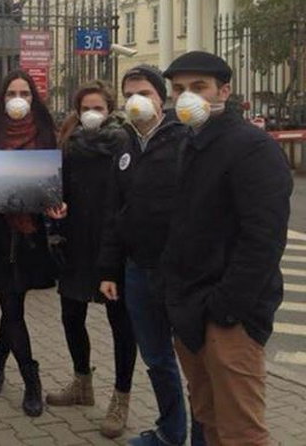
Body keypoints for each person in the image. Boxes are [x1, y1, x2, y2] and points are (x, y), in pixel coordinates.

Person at [161, 51, 291, 446]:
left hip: (228, 317)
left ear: (224, 90)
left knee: (241, 432)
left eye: (198, 87)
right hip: (189, 308)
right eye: (179, 89)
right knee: (208, 418)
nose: (187, 96)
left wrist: (227, 309)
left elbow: (264, 237)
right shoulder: (190, 141)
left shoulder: (252, 147)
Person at [98, 65, 200, 446]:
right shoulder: (125, 146)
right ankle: (171, 431)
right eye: (128, 95)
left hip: (180, 273)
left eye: (144, 93)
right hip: (137, 270)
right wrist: (109, 269)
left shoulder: (185, 140)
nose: (136, 101)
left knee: (195, 364)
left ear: (162, 98)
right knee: (156, 358)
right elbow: (114, 213)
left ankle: (202, 435)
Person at [46, 80, 136, 438]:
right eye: (85, 107)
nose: (92, 114)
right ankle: (82, 382)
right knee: (71, 314)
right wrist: (57, 205)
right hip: (76, 239)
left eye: (98, 107)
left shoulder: (125, 142)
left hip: (111, 241)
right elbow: (59, 184)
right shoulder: (70, 141)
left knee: (120, 323)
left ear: (110, 108)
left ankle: (121, 398)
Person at [0, 70, 59, 418]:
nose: (18, 99)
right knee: (11, 307)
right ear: (1, 98)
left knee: (13, 308)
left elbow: (56, 184)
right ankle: (31, 378)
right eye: (11, 93)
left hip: (30, 236)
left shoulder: (48, 134)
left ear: (34, 98)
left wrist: (58, 205)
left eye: (24, 92)